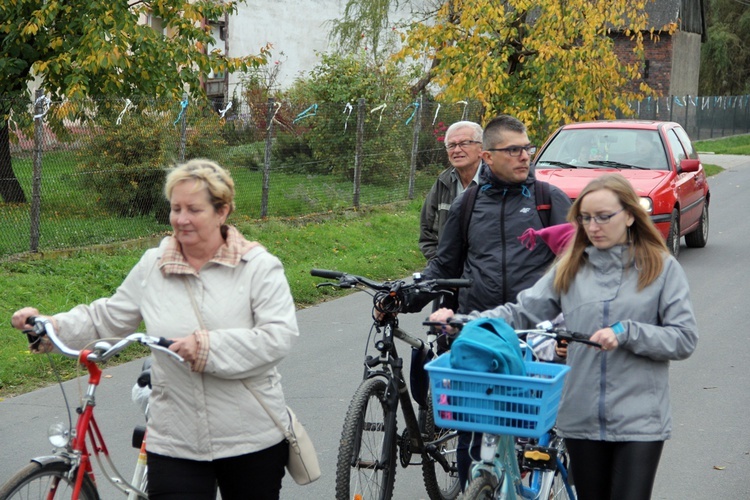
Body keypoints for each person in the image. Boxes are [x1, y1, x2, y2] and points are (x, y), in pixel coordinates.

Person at [11, 159, 299, 500]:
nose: (181, 218)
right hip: (175, 439)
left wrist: (205, 348)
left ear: (222, 212)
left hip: (250, 438)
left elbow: (277, 337)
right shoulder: (154, 264)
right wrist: (49, 326)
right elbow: (108, 318)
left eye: (194, 209)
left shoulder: (258, 268)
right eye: (175, 208)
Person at [431, 173, 699, 500]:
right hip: (580, 417)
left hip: (640, 419)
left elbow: (683, 338)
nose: (594, 226)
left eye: (604, 217)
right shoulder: (569, 267)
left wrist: (627, 333)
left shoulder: (661, 268)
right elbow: (520, 311)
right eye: (585, 218)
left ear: (630, 215)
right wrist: (465, 322)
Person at [409, 114, 572, 489]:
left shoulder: (549, 200)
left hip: (533, 336)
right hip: (479, 334)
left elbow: (576, 266)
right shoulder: (467, 205)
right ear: (488, 157)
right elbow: (444, 264)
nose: (524, 156)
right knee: (472, 439)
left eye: (527, 148)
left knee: (530, 438)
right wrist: (409, 294)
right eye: (512, 150)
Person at [419, 121, 484, 262]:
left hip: (486, 276)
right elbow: (427, 233)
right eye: (451, 145)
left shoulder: (497, 182)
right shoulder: (443, 182)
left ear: (481, 148)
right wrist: (443, 269)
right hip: (450, 276)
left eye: (464, 143)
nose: (457, 150)